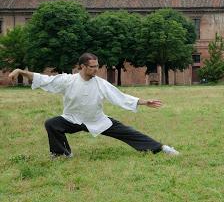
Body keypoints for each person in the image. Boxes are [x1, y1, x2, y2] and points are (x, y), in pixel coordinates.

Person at [8, 52, 179, 158]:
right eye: (92, 67)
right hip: (72, 119)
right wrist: (20, 71)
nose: (96, 69)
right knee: (52, 124)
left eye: (97, 66)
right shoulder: (68, 80)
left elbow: (119, 97)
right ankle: (63, 154)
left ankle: (161, 148)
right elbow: (43, 79)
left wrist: (143, 102)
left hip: (97, 120)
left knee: (129, 132)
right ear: (82, 66)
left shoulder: (100, 83)